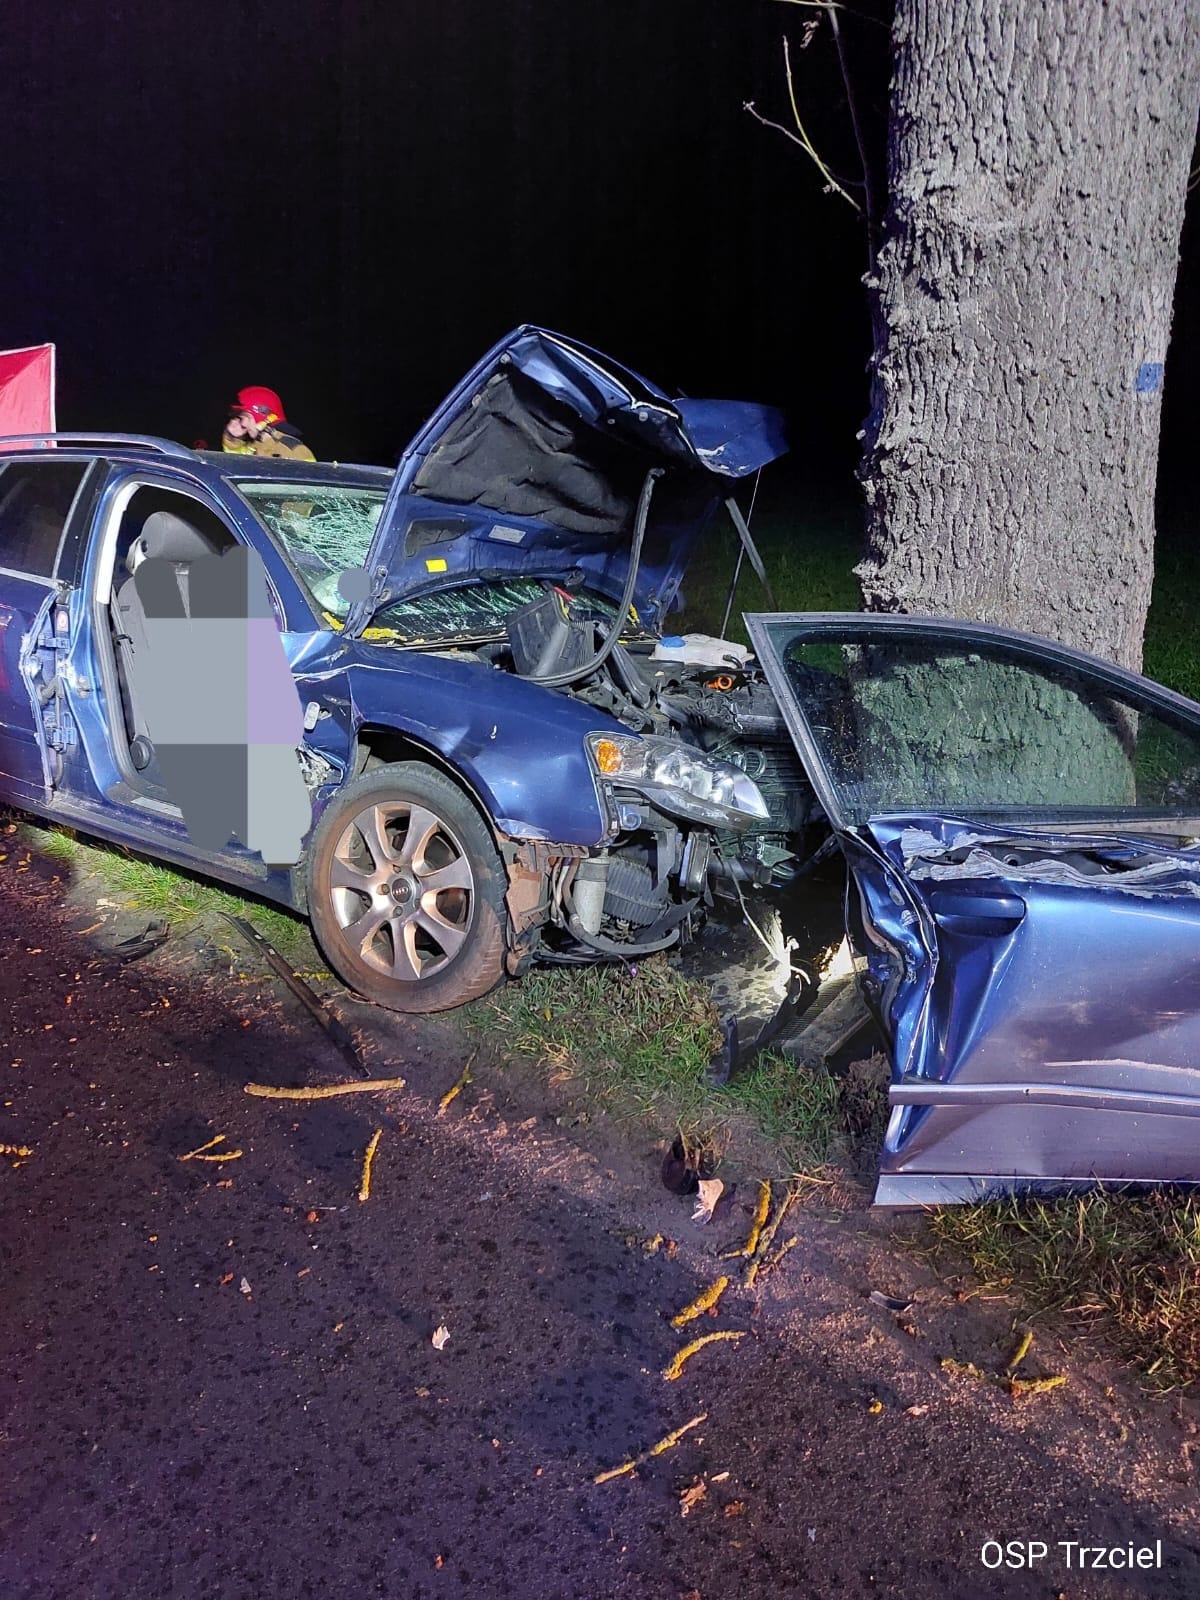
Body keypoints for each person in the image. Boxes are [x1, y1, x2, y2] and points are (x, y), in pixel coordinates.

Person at [221, 385, 315, 461]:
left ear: (264, 420)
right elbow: (233, 461)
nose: (242, 422)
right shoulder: (254, 445)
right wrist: (232, 437)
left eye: (244, 417)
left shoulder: (294, 450)